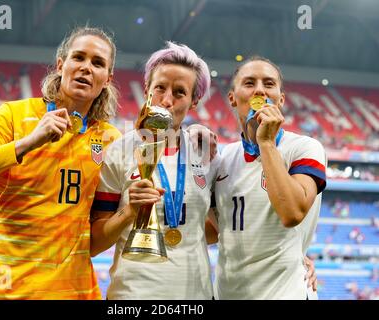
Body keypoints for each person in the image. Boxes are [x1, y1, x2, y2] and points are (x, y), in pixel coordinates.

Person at [0, 26, 121, 299]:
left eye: (97, 63)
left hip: (74, 292)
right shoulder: (13, 115)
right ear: (61, 65)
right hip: (5, 290)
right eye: (79, 58)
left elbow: (96, 238)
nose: (86, 68)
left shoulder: (112, 141)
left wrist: (130, 213)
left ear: (107, 78)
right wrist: (29, 142)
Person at [90, 41, 220, 299]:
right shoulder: (118, 151)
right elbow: (94, 244)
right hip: (132, 296)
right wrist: (130, 213)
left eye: (180, 92)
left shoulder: (208, 154)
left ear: (194, 101)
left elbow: (222, 228)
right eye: (160, 87)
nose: (167, 99)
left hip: (195, 296)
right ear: (147, 89)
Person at [212, 56, 327, 299]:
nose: (260, 91)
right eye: (249, 83)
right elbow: (217, 229)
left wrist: (265, 142)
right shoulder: (223, 158)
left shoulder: (305, 148)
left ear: (281, 99)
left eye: (269, 84)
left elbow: (292, 213)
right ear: (232, 97)